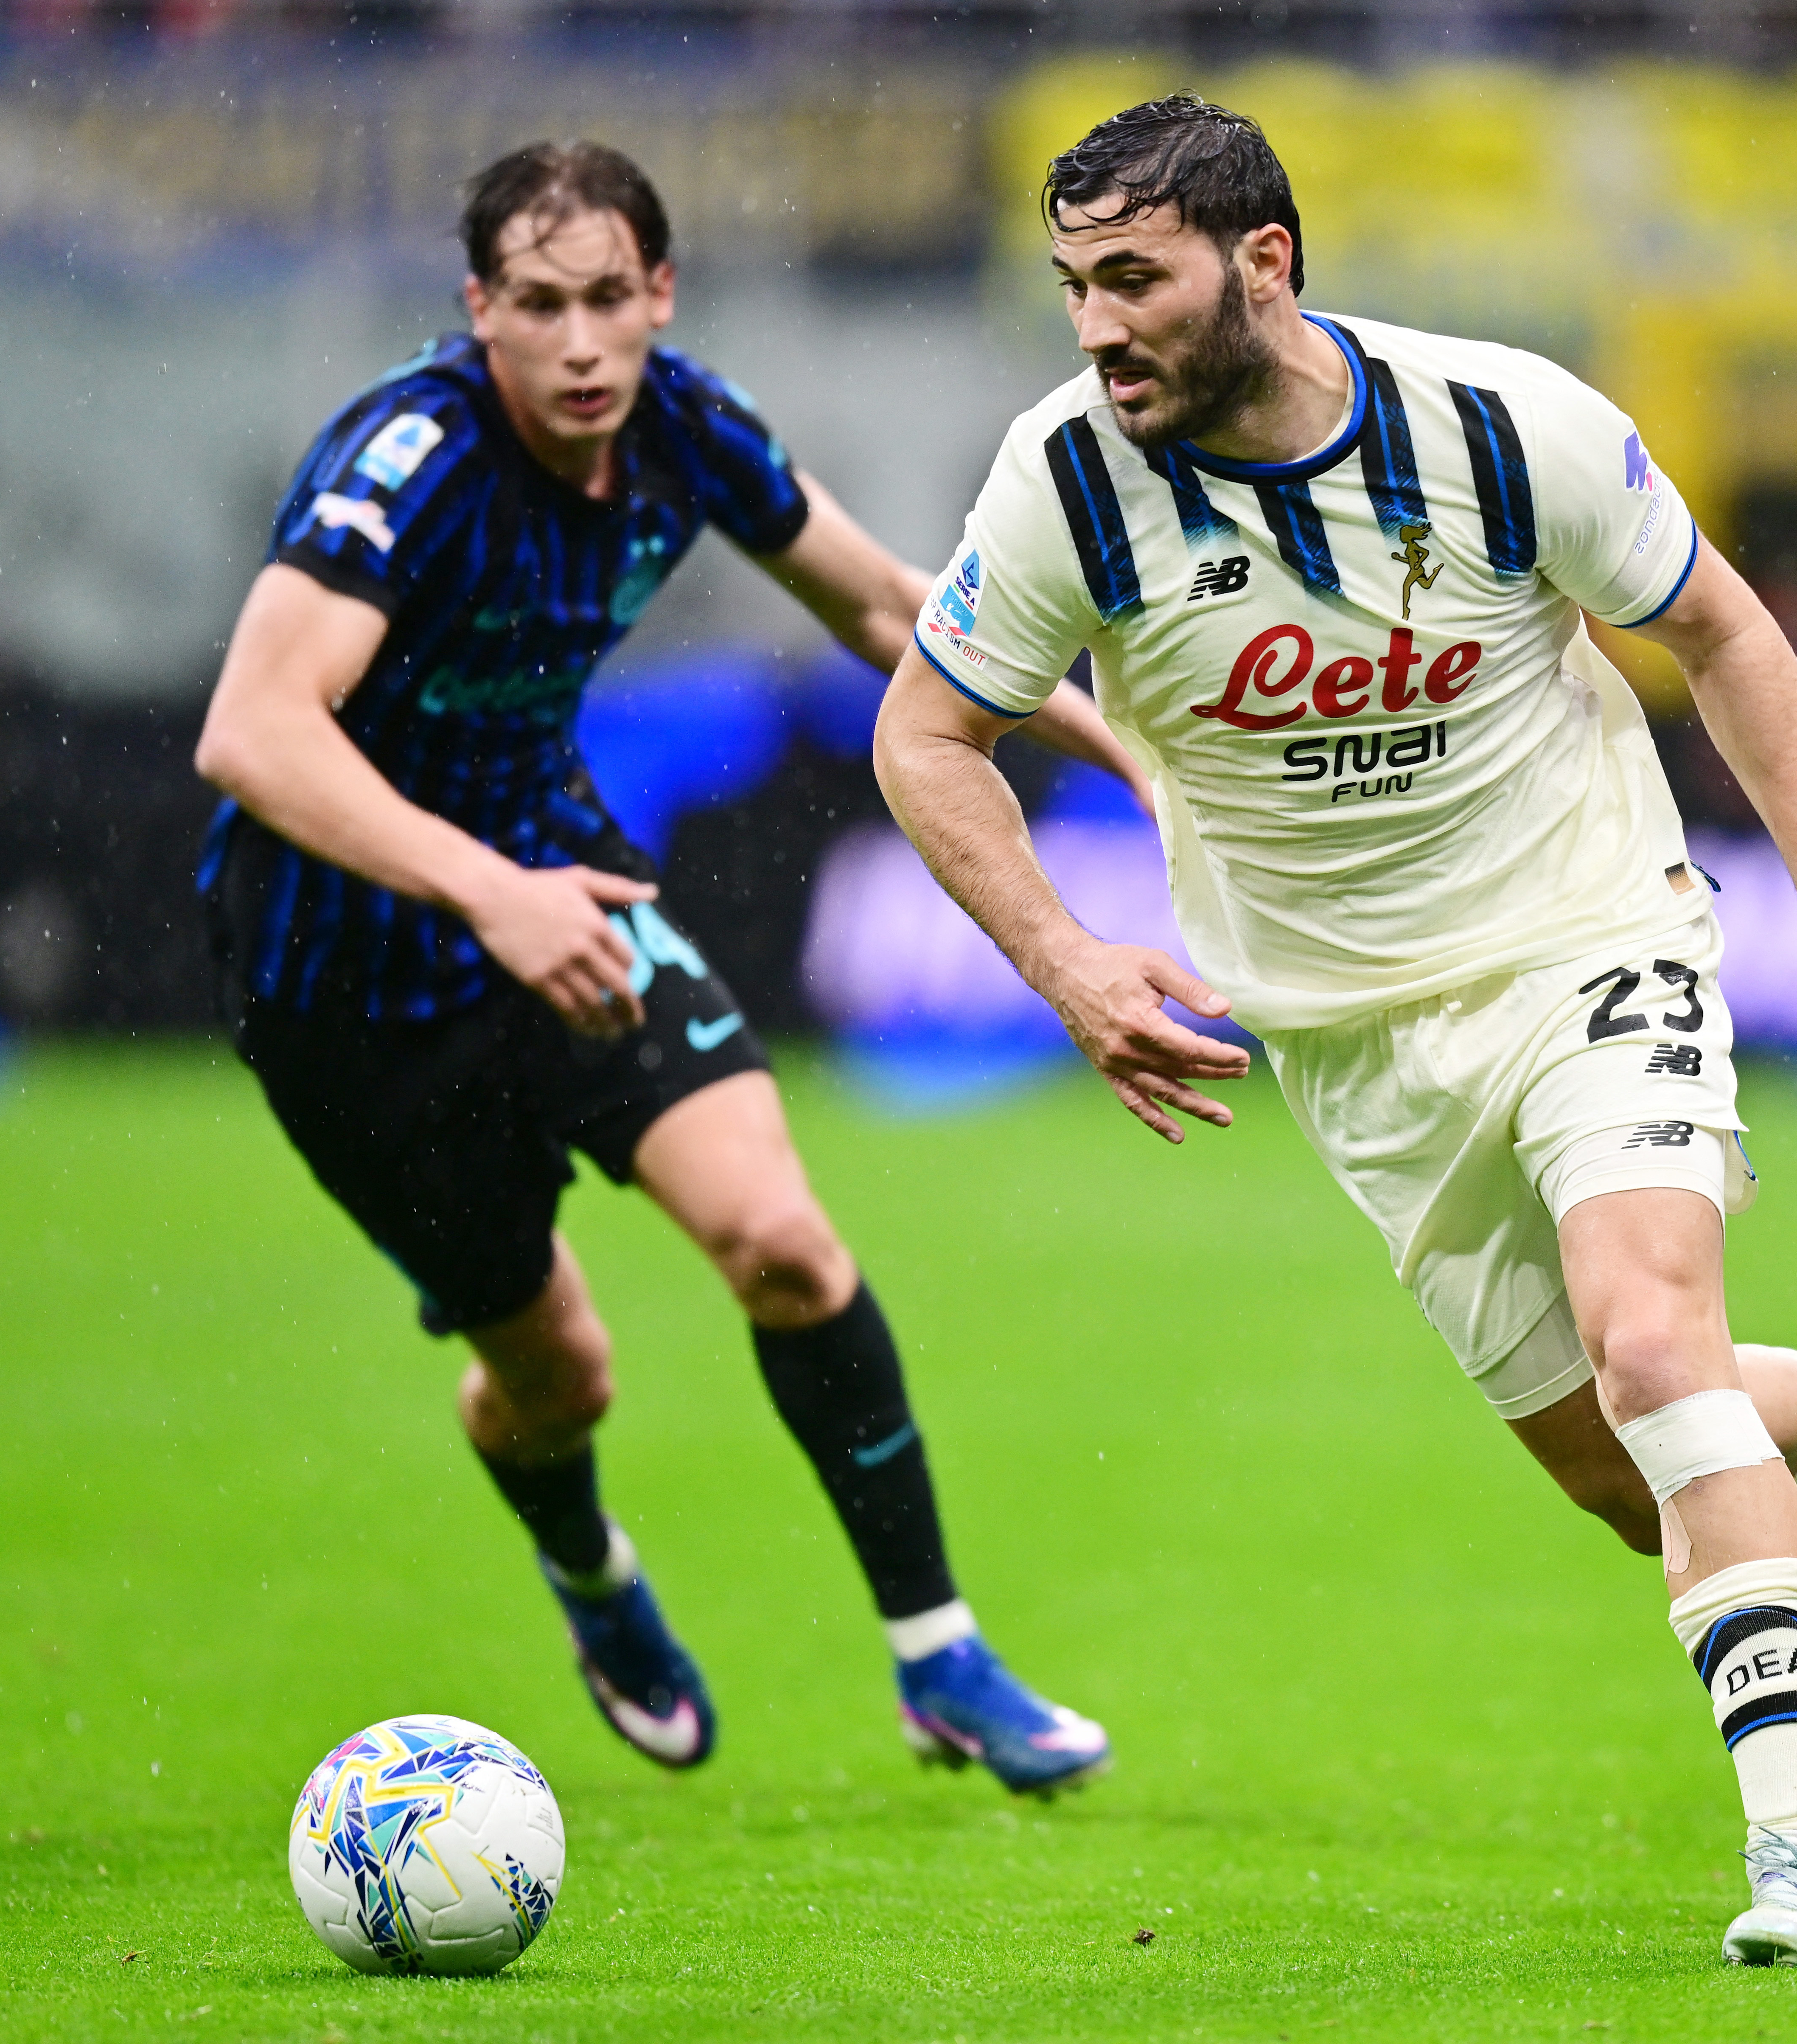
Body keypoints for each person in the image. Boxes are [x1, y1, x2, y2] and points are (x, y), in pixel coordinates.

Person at [871, 96, 1797, 1959]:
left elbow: (1724, 633)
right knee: (1630, 1470)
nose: (1096, 328)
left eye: (1134, 280)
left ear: (1263, 264)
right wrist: (1065, 959)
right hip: (1357, 1049)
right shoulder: (1069, 485)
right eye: (1073, 286)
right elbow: (925, 733)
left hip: (1589, 937)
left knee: (1653, 1342)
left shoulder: (1501, 427)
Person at [194, 140, 1130, 1797]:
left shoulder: (686, 423)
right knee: (556, 1375)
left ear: (661, 295)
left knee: (782, 1244)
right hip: (346, 981)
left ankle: (940, 1658)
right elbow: (254, 731)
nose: (578, 343)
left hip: (569, 892)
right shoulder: (408, 459)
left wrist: (1125, 746)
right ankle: (591, 1576)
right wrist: (487, 894)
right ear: (479, 307)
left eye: (608, 299)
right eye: (538, 304)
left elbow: (884, 607)